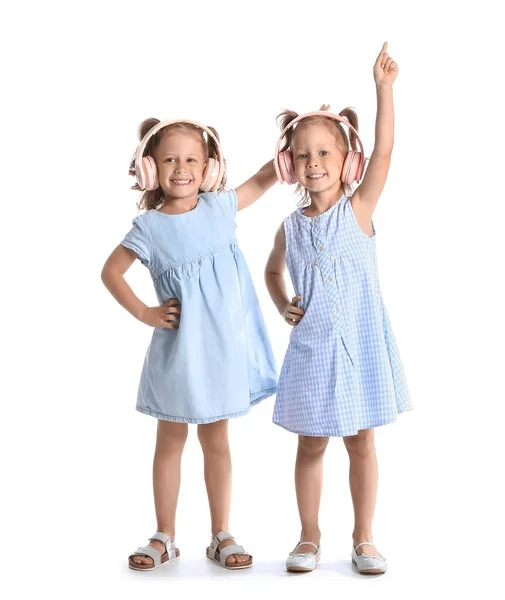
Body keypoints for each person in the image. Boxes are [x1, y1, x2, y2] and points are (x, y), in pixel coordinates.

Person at [101, 118, 277, 571]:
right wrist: (145, 312)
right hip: (177, 355)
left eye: (191, 159)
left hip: (219, 353)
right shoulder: (149, 227)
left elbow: (262, 178)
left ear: (209, 168)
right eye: (170, 159)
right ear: (150, 168)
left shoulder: (220, 208)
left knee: (217, 439)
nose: (181, 168)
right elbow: (111, 272)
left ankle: (222, 533)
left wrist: (292, 141)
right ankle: (164, 536)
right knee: (170, 440)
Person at [264, 43, 412, 574]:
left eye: (324, 152)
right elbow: (272, 271)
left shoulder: (359, 208)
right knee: (310, 445)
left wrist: (383, 88)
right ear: (289, 164)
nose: (313, 163)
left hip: (359, 345)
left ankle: (365, 537)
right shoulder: (291, 226)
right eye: (303, 154)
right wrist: (284, 305)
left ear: (347, 161)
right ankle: (308, 537)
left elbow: (387, 152)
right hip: (311, 347)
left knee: (362, 444)